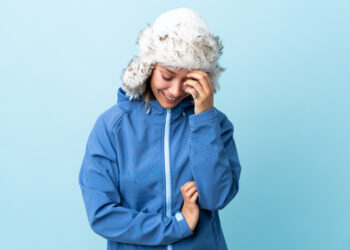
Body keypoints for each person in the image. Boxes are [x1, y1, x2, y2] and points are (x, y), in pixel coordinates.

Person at [78, 7, 241, 250]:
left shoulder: (216, 125)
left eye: (188, 81)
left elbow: (216, 197)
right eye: (167, 76)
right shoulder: (112, 127)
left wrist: (204, 118)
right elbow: (102, 215)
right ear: (148, 67)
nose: (175, 91)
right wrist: (177, 224)